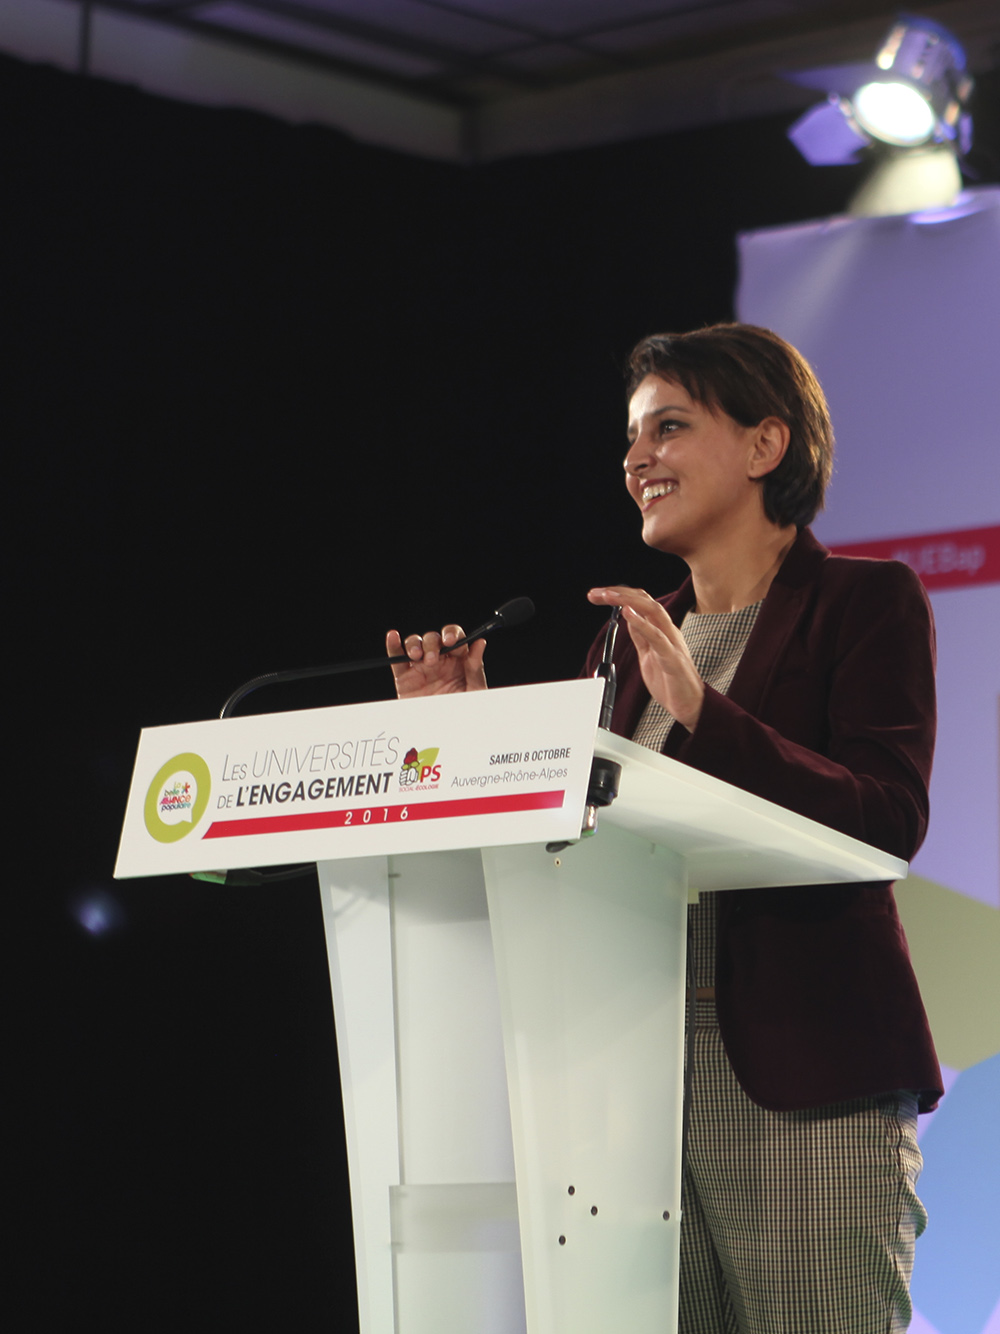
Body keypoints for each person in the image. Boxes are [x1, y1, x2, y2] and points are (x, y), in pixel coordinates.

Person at [387, 322, 941, 1334]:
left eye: (670, 427)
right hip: (626, 1090)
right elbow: (577, 842)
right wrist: (463, 735)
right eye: (631, 437)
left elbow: (885, 815)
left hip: (800, 1078)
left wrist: (706, 713)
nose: (636, 459)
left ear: (766, 445)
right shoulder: (625, 639)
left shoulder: (863, 601)